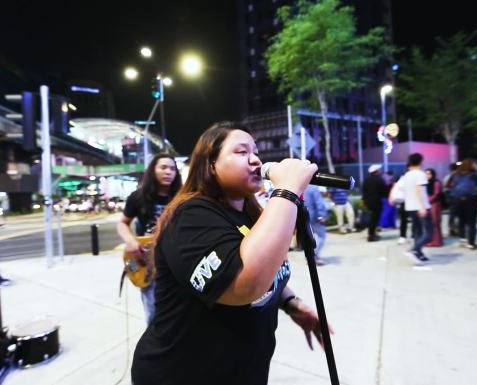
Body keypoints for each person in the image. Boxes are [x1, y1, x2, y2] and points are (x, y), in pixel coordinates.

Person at [131, 122, 329, 385]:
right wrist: (287, 191)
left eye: (256, 152)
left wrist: (292, 304)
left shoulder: (249, 215)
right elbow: (244, 283)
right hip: (179, 373)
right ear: (210, 164)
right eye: (241, 152)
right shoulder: (190, 216)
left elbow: (269, 267)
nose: (256, 159)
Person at [117, 153, 182, 325]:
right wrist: (130, 241)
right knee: (154, 315)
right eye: (163, 167)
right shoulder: (138, 197)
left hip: (175, 262)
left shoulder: (183, 197)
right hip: (147, 262)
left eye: (172, 168)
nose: (168, 172)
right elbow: (122, 224)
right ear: (153, 170)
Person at [402, 153, 432, 264]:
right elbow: (419, 191)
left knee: (418, 231)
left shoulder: (407, 175)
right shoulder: (420, 174)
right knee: (429, 234)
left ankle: (419, 253)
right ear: (420, 161)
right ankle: (414, 250)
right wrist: (422, 207)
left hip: (409, 207)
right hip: (420, 207)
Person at [447, 159, 477, 249]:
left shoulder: (455, 175)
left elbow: (448, 186)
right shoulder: (474, 175)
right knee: (472, 222)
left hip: (457, 200)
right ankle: (471, 243)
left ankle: (462, 240)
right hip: (471, 200)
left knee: (461, 221)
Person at [362, 164, 388, 242]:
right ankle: (371, 235)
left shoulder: (366, 180)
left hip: (368, 202)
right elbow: (384, 192)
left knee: (372, 218)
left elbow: (364, 191)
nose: (380, 171)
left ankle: (372, 233)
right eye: (379, 170)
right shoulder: (380, 180)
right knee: (374, 219)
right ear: (376, 171)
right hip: (377, 202)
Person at [303, 185, 328, 265]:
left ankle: (310, 256)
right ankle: (314, 256)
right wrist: (322, 216)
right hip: (313, 216)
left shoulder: (300, 187)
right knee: (322, 236)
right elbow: (319, 203)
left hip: (302, 216)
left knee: (309, 237)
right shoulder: (313, 188)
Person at [424, 168, 444, 247]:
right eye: (426, 174)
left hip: (435, 204)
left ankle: (437, 241)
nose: (428, 175)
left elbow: (436, 194)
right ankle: (431, 240)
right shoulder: (425, 183)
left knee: (435, 223)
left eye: (429, 174)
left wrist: (428, 200)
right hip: (428, 205)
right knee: (429, 224)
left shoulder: (436, 182)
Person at [443, 163, 459, 236]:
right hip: (458, 198)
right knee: (460, 215)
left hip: (450, 198)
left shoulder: (447, 177)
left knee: (452, 215)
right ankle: (459, 229)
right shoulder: (459, 176)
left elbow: (445, 188)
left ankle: (451, 230)